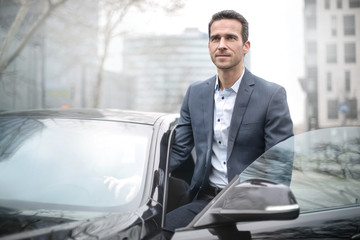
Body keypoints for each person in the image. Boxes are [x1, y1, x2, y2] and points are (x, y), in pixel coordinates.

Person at [162, 10, 293, 239]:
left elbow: (279, 166)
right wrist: (135, 178)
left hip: (250, 206)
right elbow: (177, 150)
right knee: (159, 230)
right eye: (215, 38)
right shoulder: (195, 93)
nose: (222, 44)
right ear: (210, 46)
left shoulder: (272, 95)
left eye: (231, 38)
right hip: (205, 202)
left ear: (245, 46)